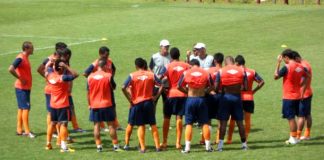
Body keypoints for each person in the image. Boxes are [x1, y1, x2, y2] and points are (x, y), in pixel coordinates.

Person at [122, 58, 162, 153]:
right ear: (144, 65)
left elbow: (123, 87)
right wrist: (155, 97)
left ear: (136, 66)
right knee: (153, 124)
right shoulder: (151, 74)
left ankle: (142, 148)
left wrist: (129, 99)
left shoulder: (132, 76)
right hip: (148, 102)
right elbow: (161, 84)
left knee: (139, 124)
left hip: (137, 103)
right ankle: (157, 147)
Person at [226, 55, 265, 144]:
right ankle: (245, 139)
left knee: (232, 118)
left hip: (238, 98)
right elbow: (262, 82)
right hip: (249, 98)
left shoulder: (236, 72)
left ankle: (229, 139)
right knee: (247, 119)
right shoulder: (252, 72)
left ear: (237, 63)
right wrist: (253, 91)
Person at [178, 59, 213, 153]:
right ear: (198, 65)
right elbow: (213, 86)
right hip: (201, 99)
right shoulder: (206, 73)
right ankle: (208, 147)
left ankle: (187, 148)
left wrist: (187, 92)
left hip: (191, 99)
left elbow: (179, 86)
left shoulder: (186, 73)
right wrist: (205, 92)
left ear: (191, 65)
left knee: (189, 123)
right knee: (205, 122)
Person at [83, 46, 122, 131]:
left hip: (107, 86)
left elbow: (114, 69)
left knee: (112, 105)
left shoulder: (109, 61)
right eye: (105, 55)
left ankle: (115, 124)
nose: (107, 57)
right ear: (100, 54)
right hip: (98, 87)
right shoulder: (96, 63)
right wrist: (95, 80)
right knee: (98, 106)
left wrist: (110, 79)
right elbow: (85, 73)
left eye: (108, 55)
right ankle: (102, 125)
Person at [274, 49, 308, 145]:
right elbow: (307, 75)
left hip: (289, 97)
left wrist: (278, 63)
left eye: (283, 58)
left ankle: (293, 138)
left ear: (286, 57)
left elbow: (275, 76)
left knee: (290, 117)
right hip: (298, 96)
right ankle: (295, 137)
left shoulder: (287, 67)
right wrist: (302, 86)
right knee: (296, 116)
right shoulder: (301, 67)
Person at [87, 58, 121, 152]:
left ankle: (99, 146)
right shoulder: (108, 76)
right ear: (105, 66)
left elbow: (88, 92)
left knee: (96, 126)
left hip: (94, 105)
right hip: (107, 104)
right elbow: (114, 87)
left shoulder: (90, 77)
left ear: (97, 66)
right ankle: (116, 146)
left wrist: (89, 104)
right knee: (111, 125)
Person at [160, 47, 190, 149]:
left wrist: (163, 90)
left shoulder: (168, 66)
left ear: (171, 56)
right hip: (182, 94)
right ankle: (178, 143)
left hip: (171, 94)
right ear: (179, 55)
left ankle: (164, 142)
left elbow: (160, 79)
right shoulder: (186, 66)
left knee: (166, 117)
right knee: (179, 117)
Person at [45, 59, 78, 152]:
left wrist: (51, 63)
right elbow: (75, 74)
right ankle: (64, 147)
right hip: (63, 104)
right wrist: (66, 66)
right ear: (62, 68)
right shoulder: (62, 78)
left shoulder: (50, 75)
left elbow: (47, 68)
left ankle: (48, 144)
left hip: (53, 104)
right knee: (64, 124)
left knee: (52, 123)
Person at [216, 56, 248, 151]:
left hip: (225, 98)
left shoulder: (221, 71)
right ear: (234, 62)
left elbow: (216, 86)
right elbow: (246, 87)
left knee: (223, 123)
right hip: (237, 98)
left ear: (225, 63)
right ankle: (244, 145)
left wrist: (221, 90)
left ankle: (220, 146)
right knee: (240, 123)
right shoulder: (242, 71)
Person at [37, 42, 67, 139]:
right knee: (51, 112)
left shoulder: (58, 60)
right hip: (51, 90)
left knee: (54, 112)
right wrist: (49, 79)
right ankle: (54, 132)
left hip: (55, 88)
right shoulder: (49, 60)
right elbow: (39, 69)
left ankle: (56, 133)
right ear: (59, 51)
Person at [8, 41, 36, 138]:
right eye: (31, 48)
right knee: (26, 108)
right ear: (26, 49)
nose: (33, 49)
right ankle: (27, 131)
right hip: (22, 88)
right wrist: (20, 78)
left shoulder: (25, 57)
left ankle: (19, 130)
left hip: (24, 87)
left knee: (21, 108)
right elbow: (11, 68)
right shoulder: (20, 58)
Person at [60, 48, 84, 133]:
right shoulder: (62, 64)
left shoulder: (64, 63)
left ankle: (75, 127)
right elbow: (73, 75)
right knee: (63, 114)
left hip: (66, 91)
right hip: (62, 92)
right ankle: (60, 134)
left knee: (70, 109)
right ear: (67, 55)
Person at [202, 52, 224, 145]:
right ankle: (218, 139)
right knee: (220, 119)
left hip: (210, 96)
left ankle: (205, 139)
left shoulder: (209, 70)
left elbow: (205, 83)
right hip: (221, 96)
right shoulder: (224, 70)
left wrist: (209, 91)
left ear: (214, 60)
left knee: (207, 119)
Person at [293, 52, 313, 140]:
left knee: (301, 116)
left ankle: (298, 136)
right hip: (308, 92)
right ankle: (307, 134)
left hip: (303, 95)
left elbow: (303, 81)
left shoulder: (303, 67)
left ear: (297, 58)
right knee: (307, 114)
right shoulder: (305, 63)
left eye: (294, 60)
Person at [149, 39, 171, 107]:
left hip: (167, 85)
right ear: (161, 47)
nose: (167, 48)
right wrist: (155, 78)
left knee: (167, 106)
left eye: (168, 46)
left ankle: (166, 118)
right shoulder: (155, 57)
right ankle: (152, 118)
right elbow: (150, 68)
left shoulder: (171, 57)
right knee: (153, 103)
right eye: (165, 47)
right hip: (156, 85)